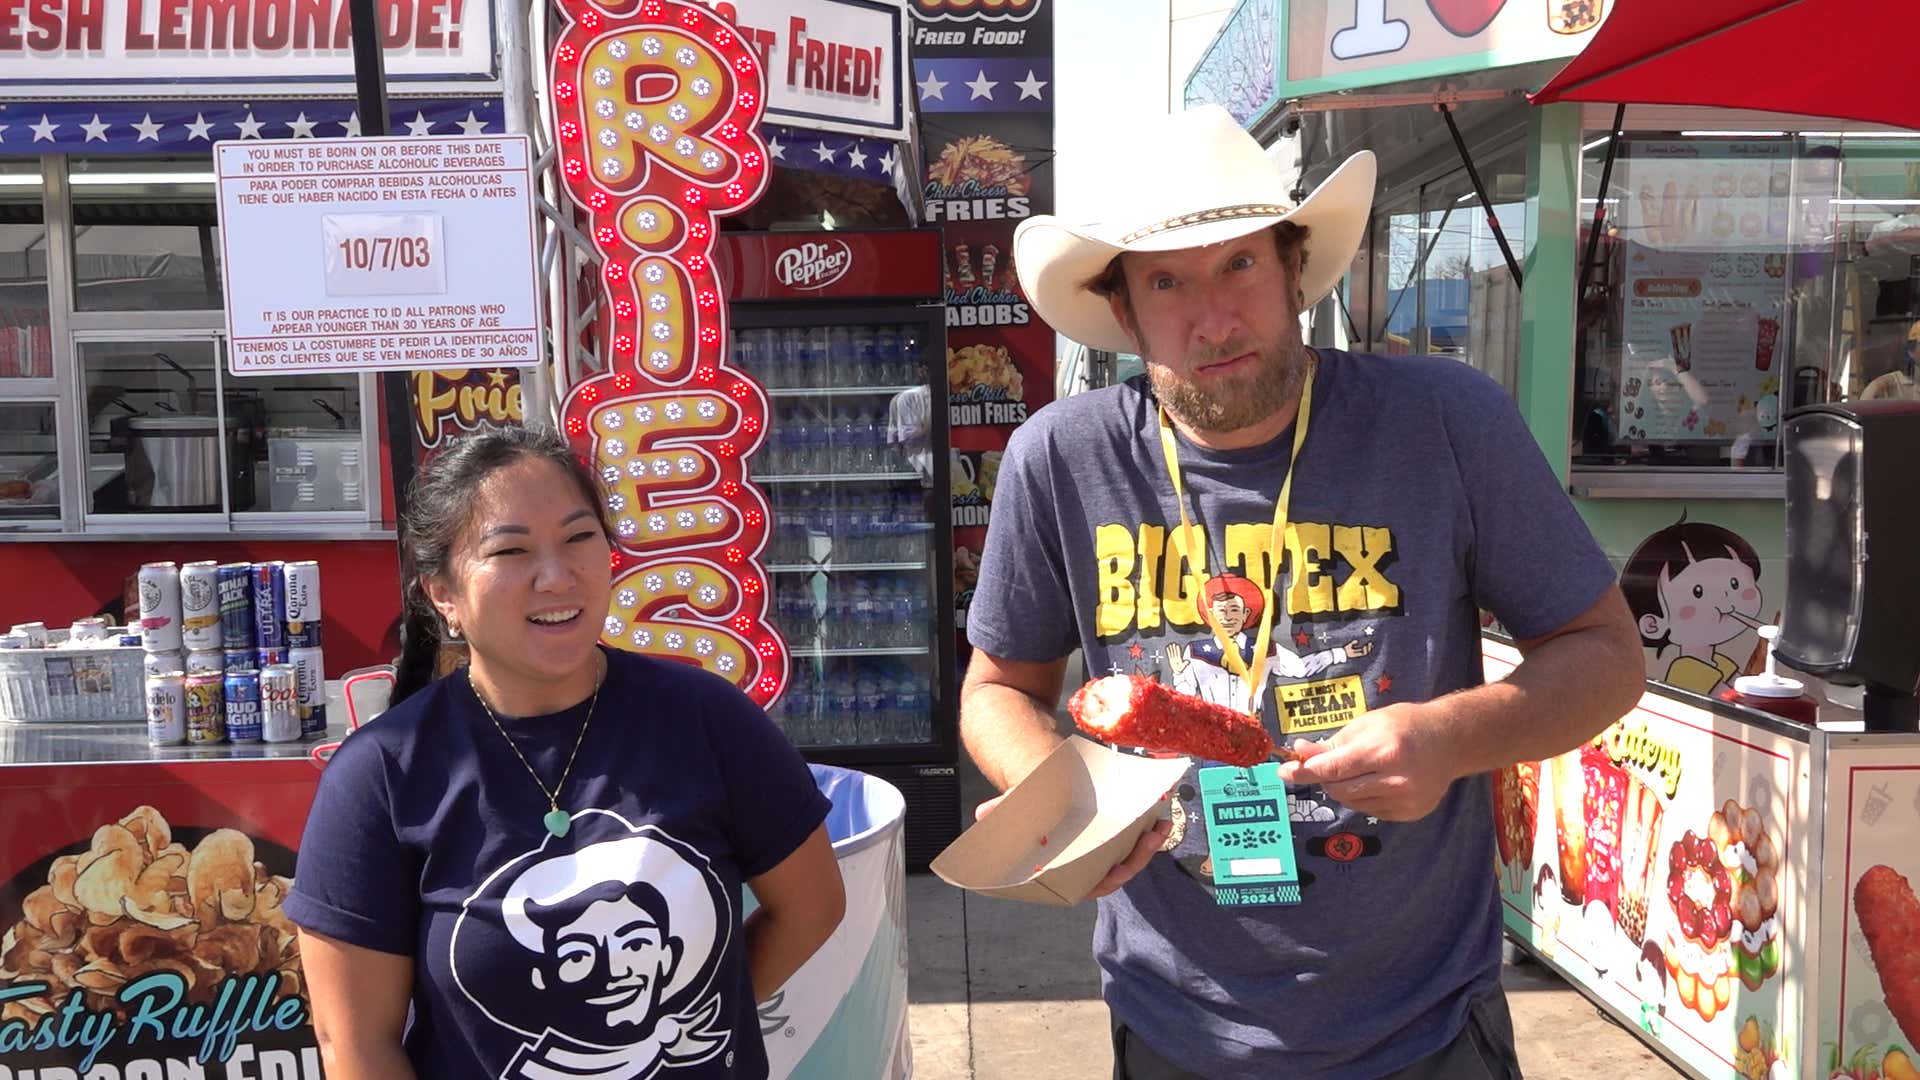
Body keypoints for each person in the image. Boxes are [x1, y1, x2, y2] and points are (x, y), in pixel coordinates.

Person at [964, 104, 1645, 1079]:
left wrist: (1451, 739)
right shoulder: (1060, 460)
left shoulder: (1446, 422)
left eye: (1239, 262)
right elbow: (997, 689)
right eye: (1167, 280)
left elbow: (1606, 655)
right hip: (1174, 1028)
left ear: (1292, 266)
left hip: (1426, 1028)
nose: (1213, 316)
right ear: (1123, 308)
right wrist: (1060, 796)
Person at [285, 425, 845, 1079]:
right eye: (512, 550)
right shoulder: (380, 775)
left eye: (580, 538)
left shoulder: (707, 719)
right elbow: (354, 1043)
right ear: (444, 594)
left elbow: (812, 906)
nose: (557, 577)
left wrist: (691, 1015)